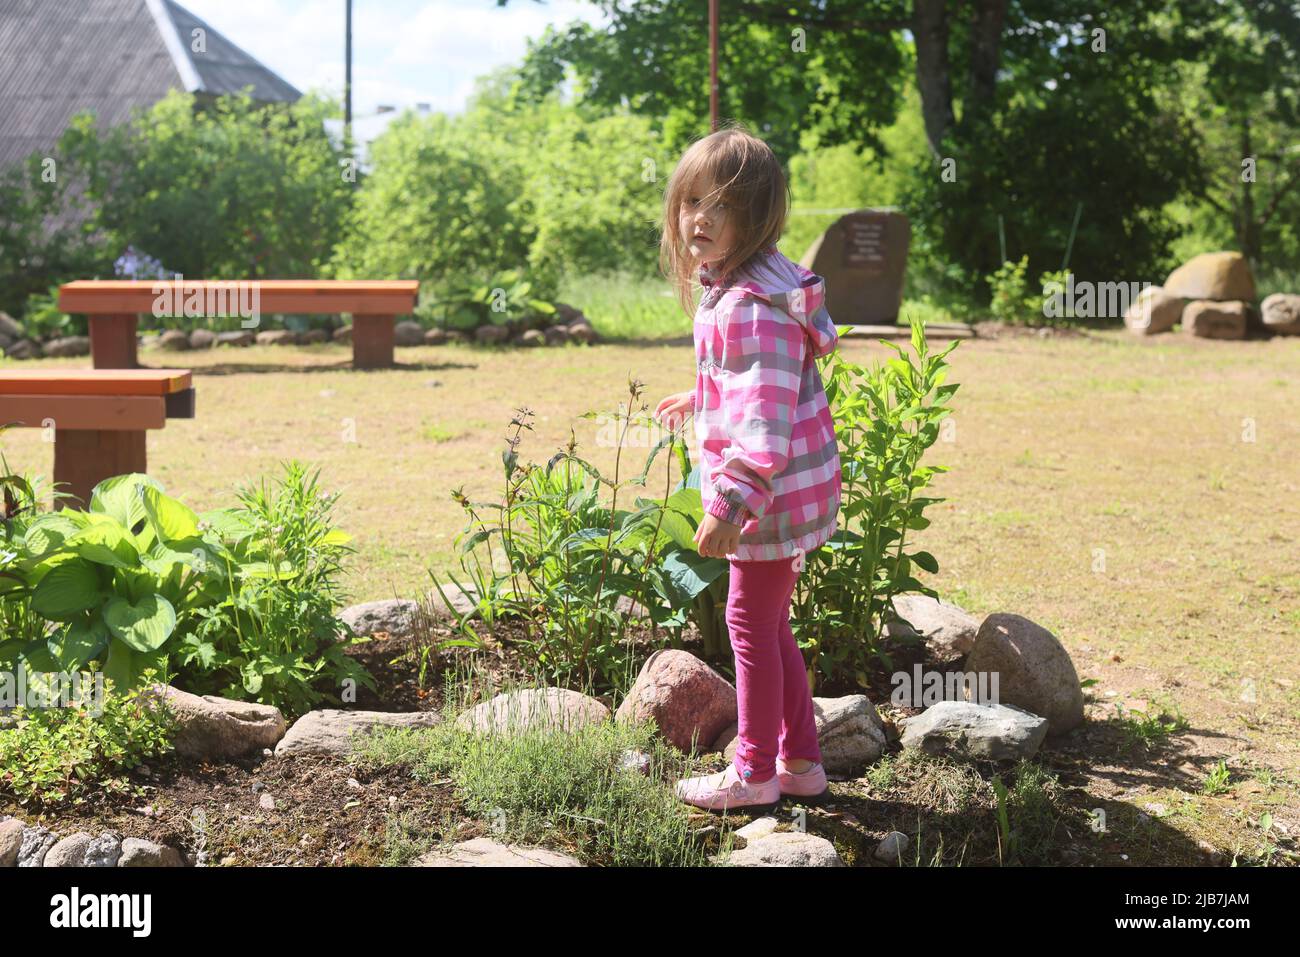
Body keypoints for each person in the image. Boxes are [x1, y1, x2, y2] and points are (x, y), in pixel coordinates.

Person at [654, 126, 842, 811]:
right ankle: (801, 761)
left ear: (755, 217)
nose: (698, 218)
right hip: (791, 492)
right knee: (769, 623)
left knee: (747, 623)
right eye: (690, 201)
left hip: (766, 495)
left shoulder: (750, 306)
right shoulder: (747, 284)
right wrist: (699, 394)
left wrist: (729, 504)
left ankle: (754, 770)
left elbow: (762, 424)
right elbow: (746, 384)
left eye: (720, 206)